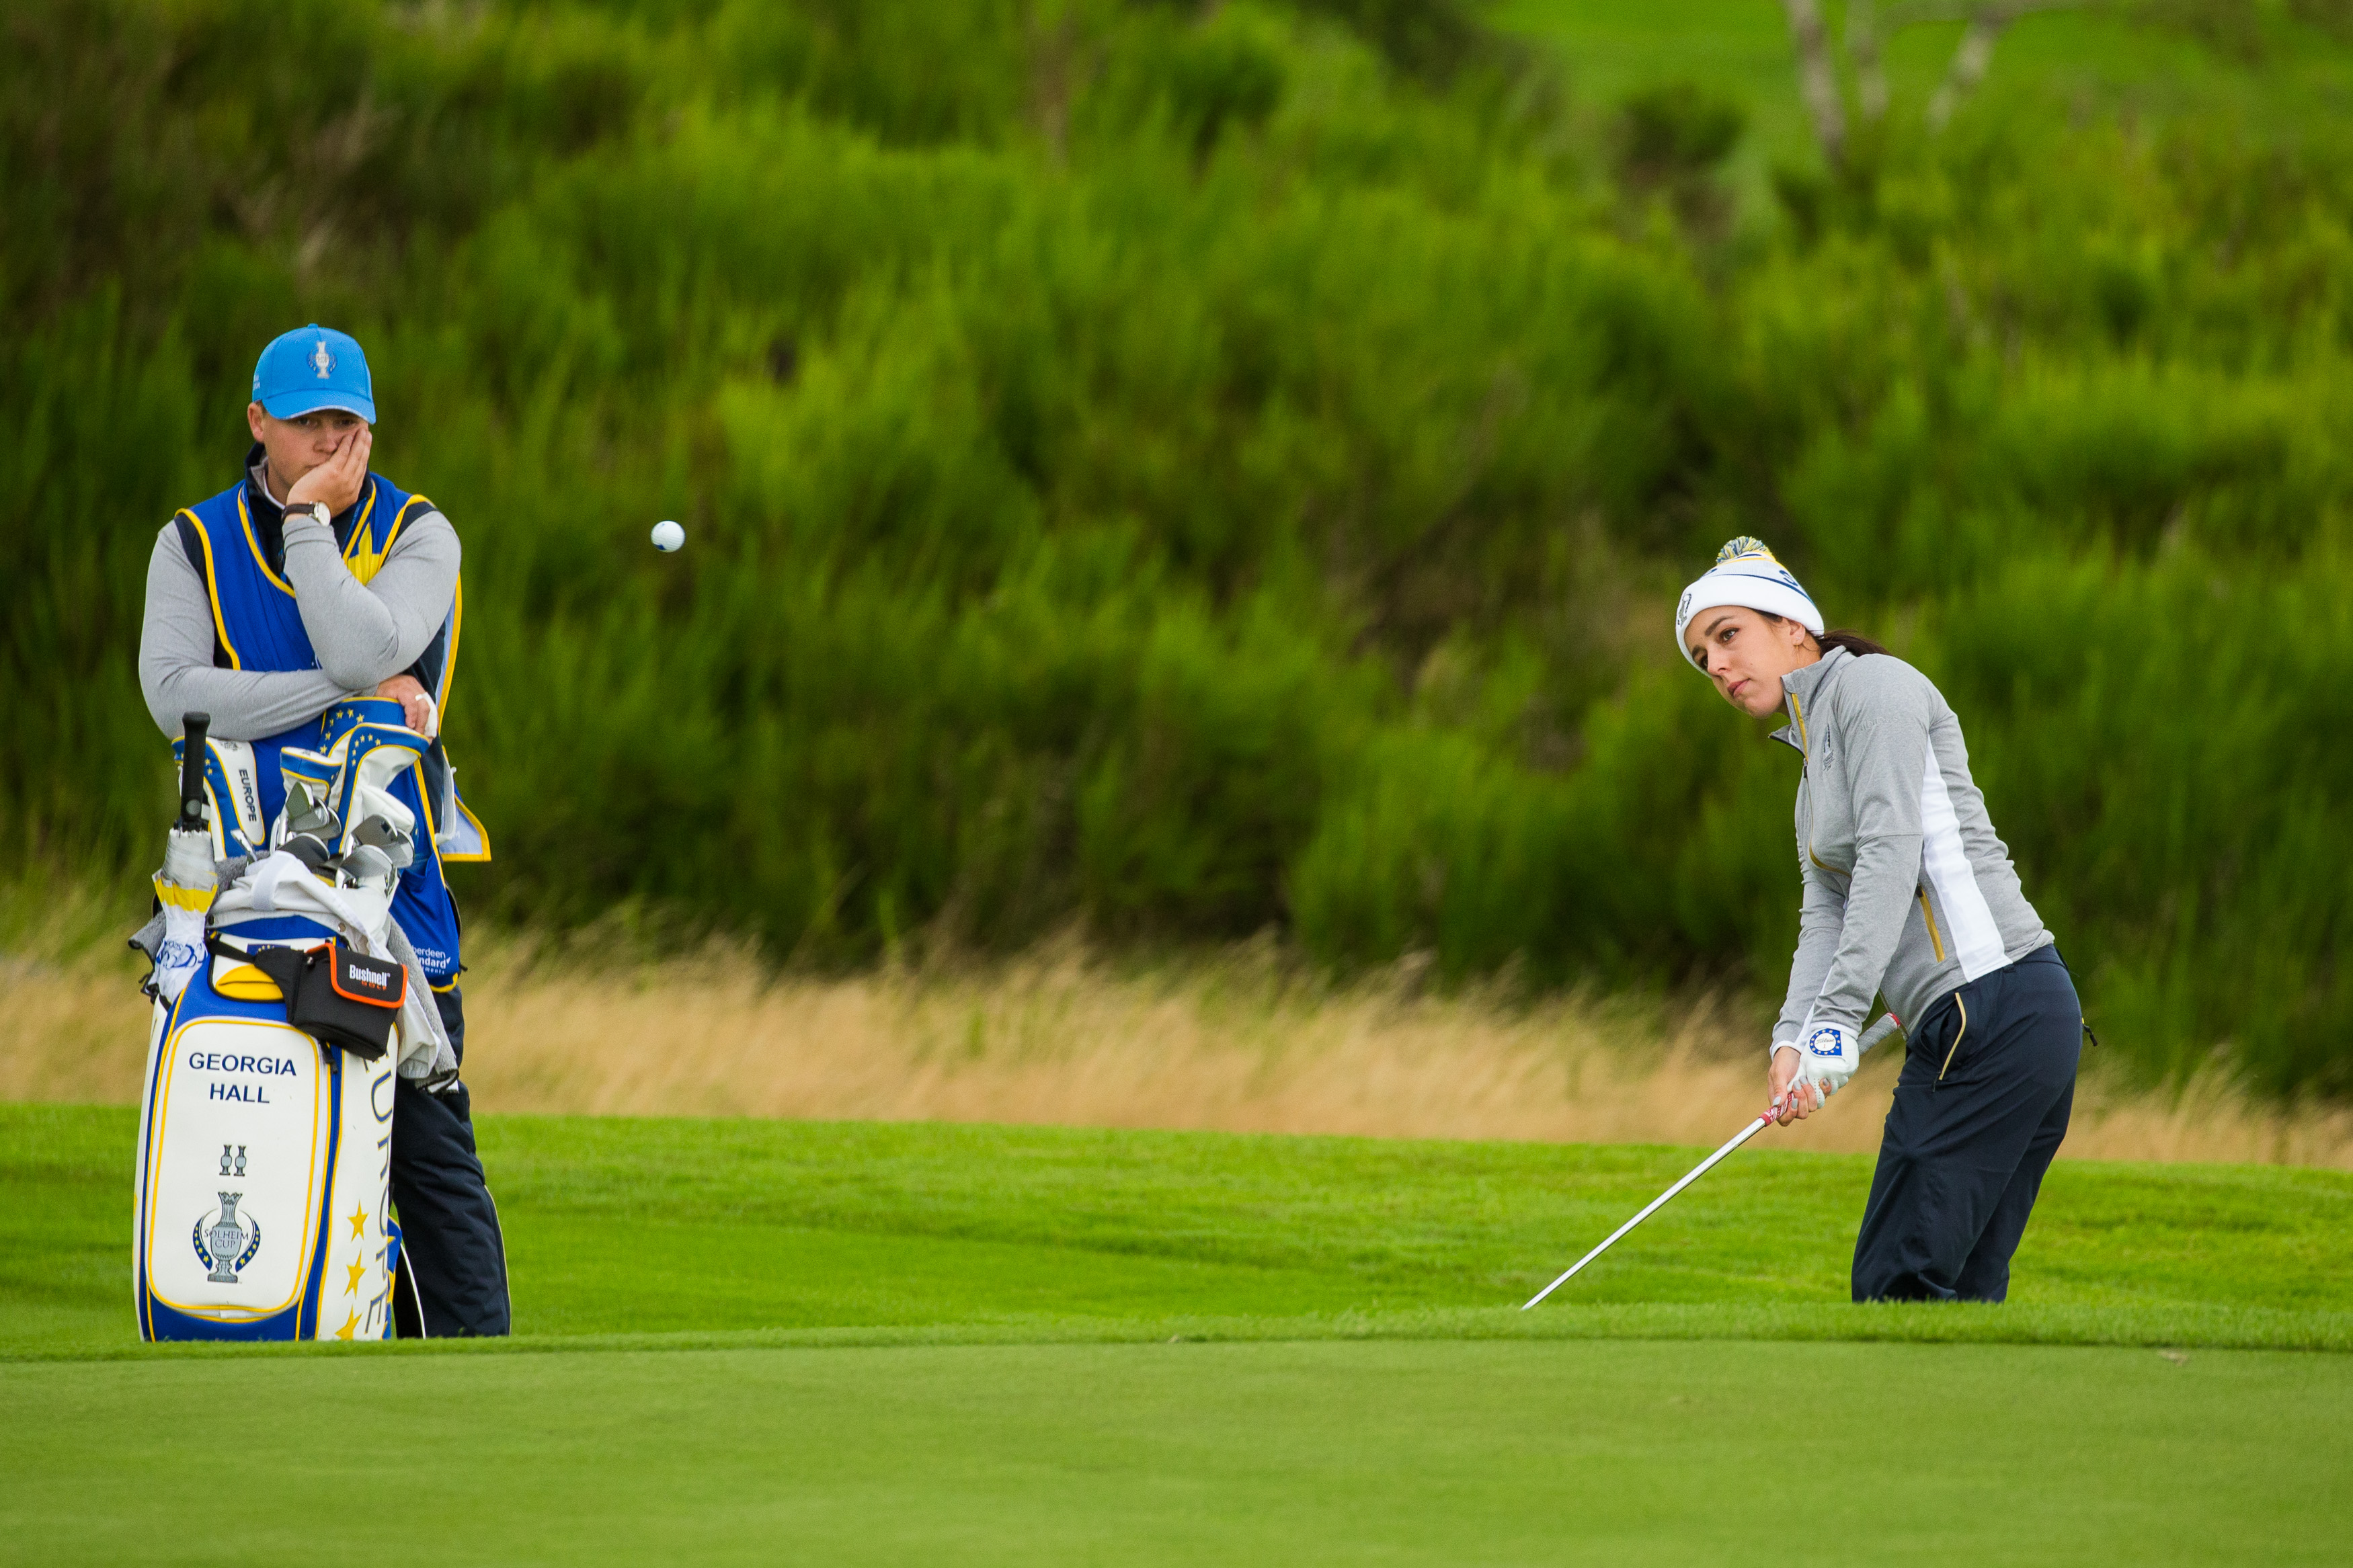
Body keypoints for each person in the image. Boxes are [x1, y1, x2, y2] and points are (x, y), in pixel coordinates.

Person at [138, 324, 510, 1337]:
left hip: (394, 912)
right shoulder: (192, 542)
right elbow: (176, 697)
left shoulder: (420, 534)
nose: (331, 440)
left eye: (348, 421)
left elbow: (361, 640)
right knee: (254, 1153)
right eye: (308, 423)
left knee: (426, 1159)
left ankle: (480, 1376)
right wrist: (344, 693)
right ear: (259, 422)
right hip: (238, 904)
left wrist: (306, 522)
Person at [1675, 537, 2083, 1303]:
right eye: (1702, 658)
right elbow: (1824, 914)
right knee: (1958, 1294)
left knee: (1896, 1284)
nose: (1717, 666)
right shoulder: (1811, 779)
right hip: (1975, 1019)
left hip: (1995, 1002)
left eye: (1727, 635)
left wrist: (1836, 1019)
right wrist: (1794, 1037)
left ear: (1792, 624)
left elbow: (1891, 853)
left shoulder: (1875, 689)